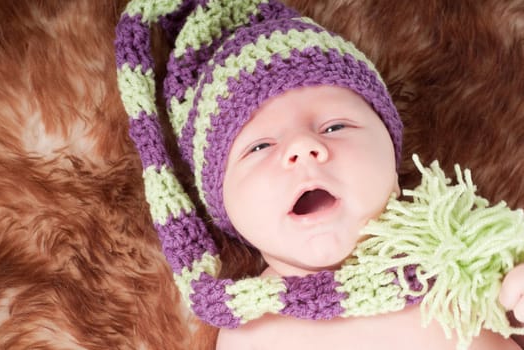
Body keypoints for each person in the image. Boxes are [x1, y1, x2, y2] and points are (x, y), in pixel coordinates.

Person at [114, 0, 524, 348]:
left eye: (335, 127)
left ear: (394, 165)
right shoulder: (252, 332)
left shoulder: (461, 257)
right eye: (259, 147)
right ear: (223, 209)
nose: (302, 147)